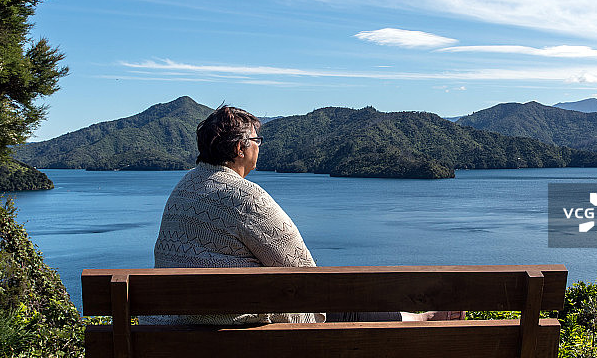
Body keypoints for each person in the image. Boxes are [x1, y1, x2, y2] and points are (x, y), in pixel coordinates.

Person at [151, 105, 463, 324]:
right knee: (343, 306)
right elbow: (306, 276)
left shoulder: (183, 188)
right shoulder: (247, 198)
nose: (259, 148)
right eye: (257, 141)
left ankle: (417, 318)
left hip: (183, 321)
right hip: (241, 326)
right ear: (241, 148)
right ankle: (421, 319)